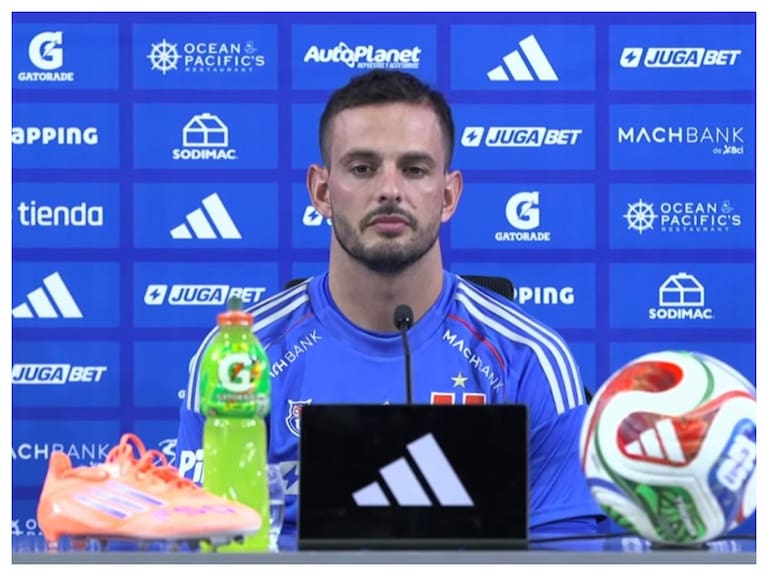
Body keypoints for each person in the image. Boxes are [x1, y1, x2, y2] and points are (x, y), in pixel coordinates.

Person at [176, 69, 605, 550]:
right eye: (362, 168)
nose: (389, 190)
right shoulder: (240, 359)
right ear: (321, 192)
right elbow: (207, 551)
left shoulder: (529, 360)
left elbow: (564, 555)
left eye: (415, 169)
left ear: (448, 195)